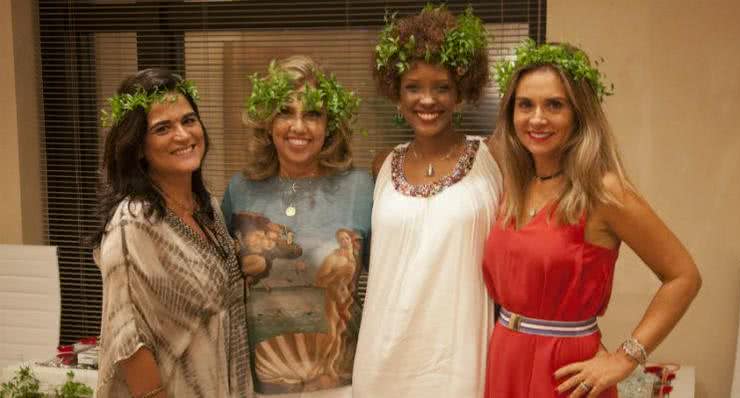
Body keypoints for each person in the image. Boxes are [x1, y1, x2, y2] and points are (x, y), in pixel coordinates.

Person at [483, 39, 702, 397]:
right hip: (505, 354)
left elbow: (684, 276)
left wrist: (626, 357)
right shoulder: (513, 183)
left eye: (554, 105)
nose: (537, 118)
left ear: (579, 114)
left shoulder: (604, 191)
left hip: (567, 371)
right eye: (525, 105)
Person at [352, 6, 501, 397]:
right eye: (413, 86)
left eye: (442, 87)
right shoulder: (382, 164)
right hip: (382, 360)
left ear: (461, 91)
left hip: (460, 361)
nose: (427, 99)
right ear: (395, 92)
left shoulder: (494, 158)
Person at [92, 69, 253, 398]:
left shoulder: (208, 208)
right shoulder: (133, 223)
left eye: (188, 120)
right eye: (163, 128)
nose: (182, 135)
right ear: (138, 146)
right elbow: (129, 341)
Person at [221, 55, 373, 397]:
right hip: (258, 387)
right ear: (267, 121)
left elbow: (389, 288)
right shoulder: (240, 190)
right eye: (285, 112)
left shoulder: (360, 189)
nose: (299, 126)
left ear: (329, 124)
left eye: (313, 114)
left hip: (343, 386)